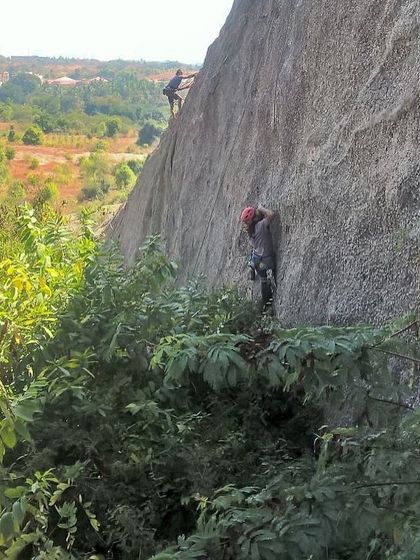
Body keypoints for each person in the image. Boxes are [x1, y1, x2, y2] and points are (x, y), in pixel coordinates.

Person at [240, 204, 276, 311]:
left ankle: (251, 267)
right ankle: (267, 305)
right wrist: (261, 208)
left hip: (257, 260)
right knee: (266, 280)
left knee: (262, 278)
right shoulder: (261, 226)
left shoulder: (250, 230)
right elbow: (271, 214)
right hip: (266, 260)